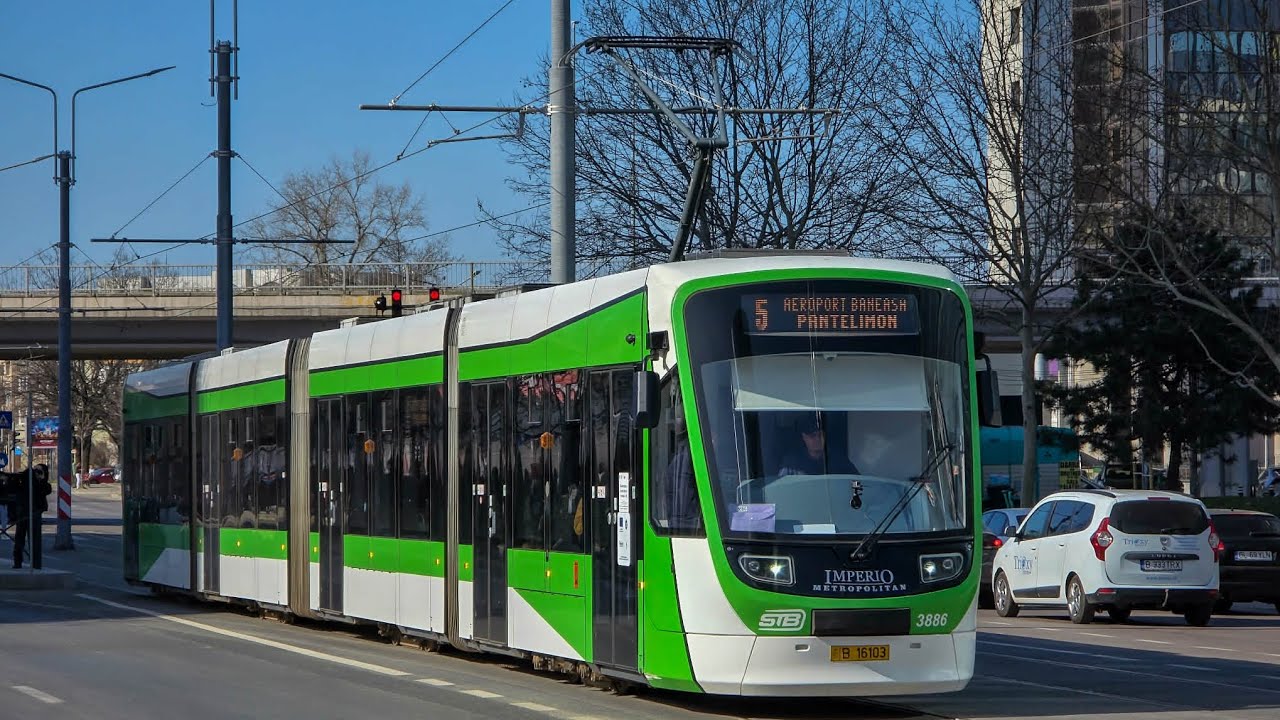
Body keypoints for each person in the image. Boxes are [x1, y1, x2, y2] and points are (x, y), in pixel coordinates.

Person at [778, 414, 860, 477]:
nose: (817, 439)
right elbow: (781, 489)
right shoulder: (791, 463)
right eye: (812, 436)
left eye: (820, 434)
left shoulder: (838, 460)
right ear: (804, 437)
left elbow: (857, 482)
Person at [5, 464, 52, 569]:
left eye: (40, 471)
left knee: (29, 540)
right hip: (25, 513)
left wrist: (41, 479)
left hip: (32, 513)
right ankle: (20, 562)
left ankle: (31, 563)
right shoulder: (25, 479)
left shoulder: (41, 483)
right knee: (21, 539)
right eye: (36, 470)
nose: (37, 473)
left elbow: (46, 490)